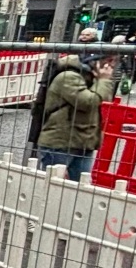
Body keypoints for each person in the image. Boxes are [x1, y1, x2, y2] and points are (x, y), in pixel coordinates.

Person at [36, 47, 116, 181]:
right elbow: (88, 102)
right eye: (108, 61)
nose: (111, 66)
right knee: (54, 185)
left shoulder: (91, 76)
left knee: (80, 186)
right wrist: (104, 81)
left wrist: (102, 81)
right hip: (61, 142)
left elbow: (104, 99)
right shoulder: (68, 77)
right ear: (94, 60)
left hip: (83, 141)